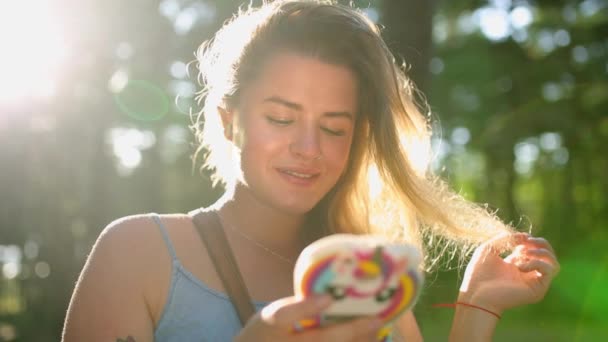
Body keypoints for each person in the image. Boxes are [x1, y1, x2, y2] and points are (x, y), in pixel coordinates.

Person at [62, 1, 560, 341]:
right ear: (228, 121)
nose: (308, 148)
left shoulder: (371, 279)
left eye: (335, 128)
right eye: (280, 118)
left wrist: (476, 308)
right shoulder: (139, 254)